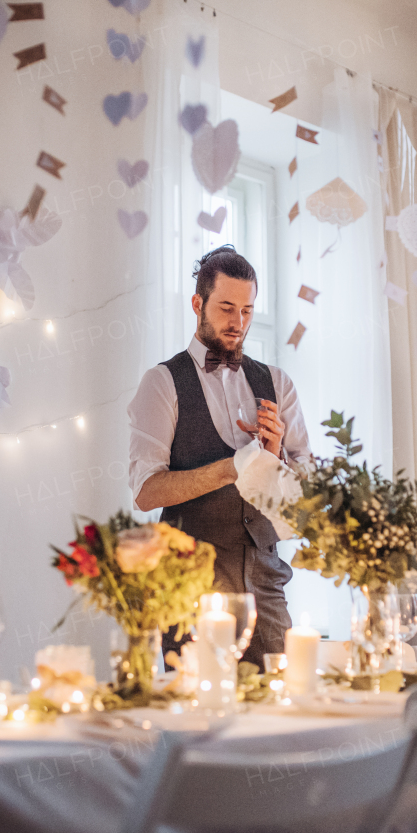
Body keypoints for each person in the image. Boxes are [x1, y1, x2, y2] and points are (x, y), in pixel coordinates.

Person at [128, 245, 311, 665]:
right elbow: (146, 491)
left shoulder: (278, 383)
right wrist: (233, 467)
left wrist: (275, 455)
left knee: (280, 713)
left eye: (247, 310)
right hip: (189, 594)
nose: (238, 322)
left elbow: (308, 486)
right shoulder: (161, 384)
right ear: (198, 303)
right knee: (201, 719)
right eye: (227, 308)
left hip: (267, 588)